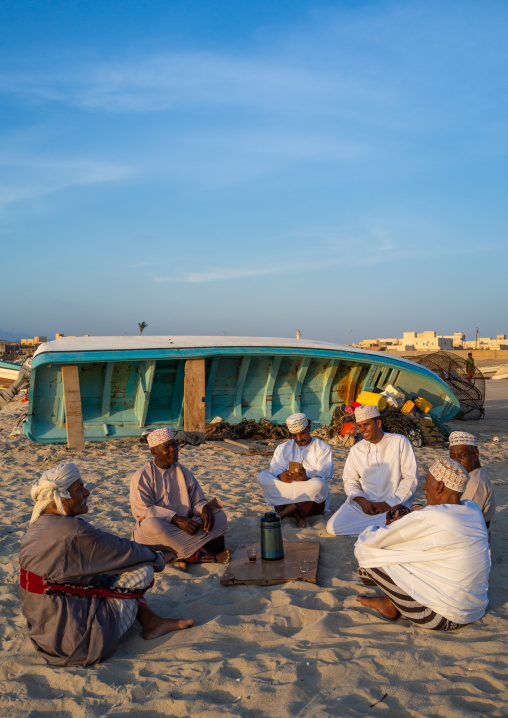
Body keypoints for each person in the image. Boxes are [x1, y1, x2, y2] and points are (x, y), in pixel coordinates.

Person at [19, 463, 193, 667]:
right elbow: (123, 552)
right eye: (79, 488)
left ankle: (151, 621)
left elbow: (110, 551)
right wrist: (160, 557)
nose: (87, 492)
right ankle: (150, 622)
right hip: (77, 644)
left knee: (111, 571)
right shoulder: (74, 532)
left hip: (44, 637)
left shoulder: (37, 526)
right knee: (143, 570)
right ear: (62, 496)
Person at [354, 458, 490, 631]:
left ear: (439, 487)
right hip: (475, 610)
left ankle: (390, 604)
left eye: (428, 482)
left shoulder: (434, 517)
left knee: (365, 551)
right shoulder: (472, 509)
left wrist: (392, 525)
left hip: (441, 617)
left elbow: (369, 540)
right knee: (411, 550)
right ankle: (391, 601)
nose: (424, 487)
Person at [130, 428, 229, 570]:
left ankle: (174, 555)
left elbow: (197, 500)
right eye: (167, 447)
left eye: (175, 444)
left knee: (220, 516)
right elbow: (143, 511)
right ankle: (194, 556)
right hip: (162, 530)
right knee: (151, 525)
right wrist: (175, 519)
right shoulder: (141, 476)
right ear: (154, 452)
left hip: (186, 529)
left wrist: (204, 509)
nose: (174, 449)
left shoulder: (182, 471)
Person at [326, 405, 418, 536]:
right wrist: (362, 502)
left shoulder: (399, 442)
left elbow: (410, 478)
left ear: (378, 423)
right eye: (360, 426)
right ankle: (384, 527)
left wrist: (388, 504)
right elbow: (349, 480)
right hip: (364, 505)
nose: (362, 429)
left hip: (393, 503)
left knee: (397, 519)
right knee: (332, 527)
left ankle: (387, 524)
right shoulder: (356, 450)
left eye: (366, 424)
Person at [257, 412, 333, 528]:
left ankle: (282, 514)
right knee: (263, 476)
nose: (298, 439)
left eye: (302, 434)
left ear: (309, 427)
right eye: (294, 435)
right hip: (288, 490)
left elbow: (323, 475)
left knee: (319, 485)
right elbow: (275, 470)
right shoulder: (282, 448)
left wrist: (306, 479)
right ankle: (299, 516)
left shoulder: (323, 448)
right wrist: (280, 476)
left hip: (311, 500)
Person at [449, 431, 495, 527]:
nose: (456, 461)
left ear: (476, 454)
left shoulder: (475, 483)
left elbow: (461, 520)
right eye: (452, 456)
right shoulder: (469, 475)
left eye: (462, 455)